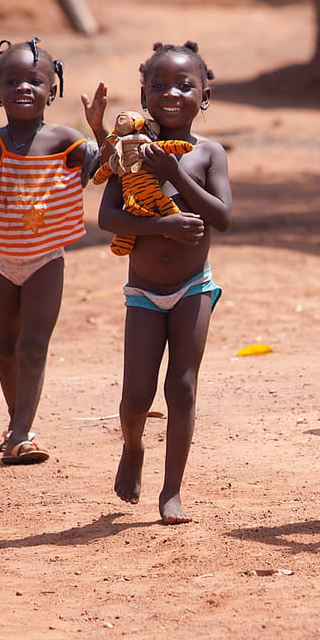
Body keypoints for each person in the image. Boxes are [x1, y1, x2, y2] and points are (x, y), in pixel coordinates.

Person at [0, 38, 105, 464]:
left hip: (46, 259)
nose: (23, 88)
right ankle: (18, 424)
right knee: (5, 348)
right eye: (11, 81)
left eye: (35, 81)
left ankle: (20, 433)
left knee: (33, 346)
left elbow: (108, 170)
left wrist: (99, 130)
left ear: (53, 90)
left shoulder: (67, 141)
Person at [98, 41, 232, 525]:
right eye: (159, 86)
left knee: (182, 386)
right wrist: (162, 226)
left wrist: (176, 173)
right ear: (143, 95)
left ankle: (171, 491)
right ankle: (133, 447)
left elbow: (222, 217)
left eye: (184, 85)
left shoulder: (209, 153)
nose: (171, 94)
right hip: (144, 292)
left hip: (193, 287)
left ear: (204, 96)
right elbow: (108, 217)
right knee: (137, 394)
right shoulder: (130, 151)